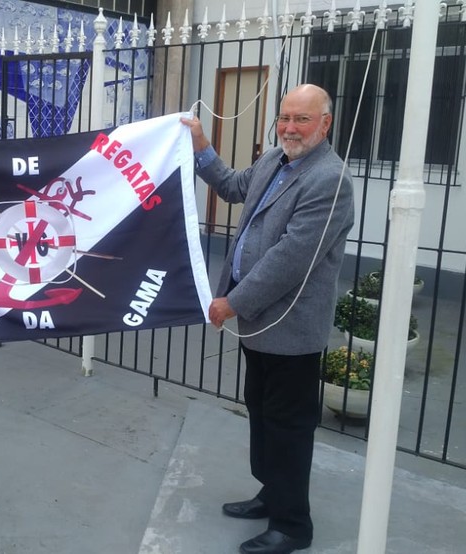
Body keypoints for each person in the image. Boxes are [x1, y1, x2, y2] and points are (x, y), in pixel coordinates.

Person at [182, 84, 355, 554]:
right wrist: (201, 144)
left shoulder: (330, 181)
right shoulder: (274, 161)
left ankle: (293, 525)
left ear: (325, 123)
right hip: (260, 327)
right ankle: (271, 493)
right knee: (260, 410)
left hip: (292, 330)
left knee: (288, 425)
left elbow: (290, 259)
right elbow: (232, 186)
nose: (290, 128)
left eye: (302, 119)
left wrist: (232, 303)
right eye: (285, 118)